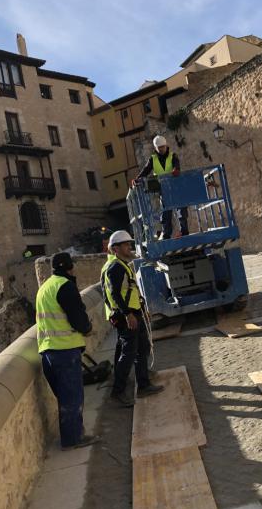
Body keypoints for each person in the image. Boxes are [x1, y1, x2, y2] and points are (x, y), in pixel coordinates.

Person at [36, 252, 97, 450]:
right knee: (72, 396)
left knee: (64, 396)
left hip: (47, 351)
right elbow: (77, 316)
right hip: (65, 349)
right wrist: (87, 329)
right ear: (69, 267)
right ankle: (73, 439)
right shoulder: (65, 286)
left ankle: (69, 436)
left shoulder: (44, 288)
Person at [101, 230, 164, 406]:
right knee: (128, 354)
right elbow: (114, 294)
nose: (129, 247)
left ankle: (143, 384)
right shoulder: (115, 267)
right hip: (126, 316)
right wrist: (127, 314)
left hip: (133, 313)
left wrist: (142, 309)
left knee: (141, 347)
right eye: (126, 245)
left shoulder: (120, 264)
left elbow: (129, 290)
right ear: (115, 248)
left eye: (129, 244)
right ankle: (118, 392)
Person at [132, 135, 189, 239]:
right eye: (159, 147)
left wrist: (176, 169)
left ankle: (184, 232)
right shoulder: (152, 159)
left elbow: (176, 165)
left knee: (181, 210)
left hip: (176, 187)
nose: (162, 149)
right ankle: (166, 234)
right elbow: (146, 170)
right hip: (163, 189)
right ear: (155, 148)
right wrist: (138, 178)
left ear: (166, 146)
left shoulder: (173, 156)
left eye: (163, 146)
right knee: (166, 213)